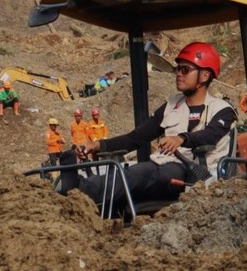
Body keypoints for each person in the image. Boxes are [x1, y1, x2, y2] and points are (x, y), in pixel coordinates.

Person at [60, 41, 237, 216]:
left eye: (185, 70)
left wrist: (181, 138)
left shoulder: (222, 110)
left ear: (204, 76)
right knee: (132, 178)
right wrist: (96, 145)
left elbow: (210, 135)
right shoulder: (171, 105)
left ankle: (79, 190)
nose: (178, 74)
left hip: (195, 174)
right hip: (163, 170)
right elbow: (136, 138)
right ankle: (87, 201)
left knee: (143, 172)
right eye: (177, 69)